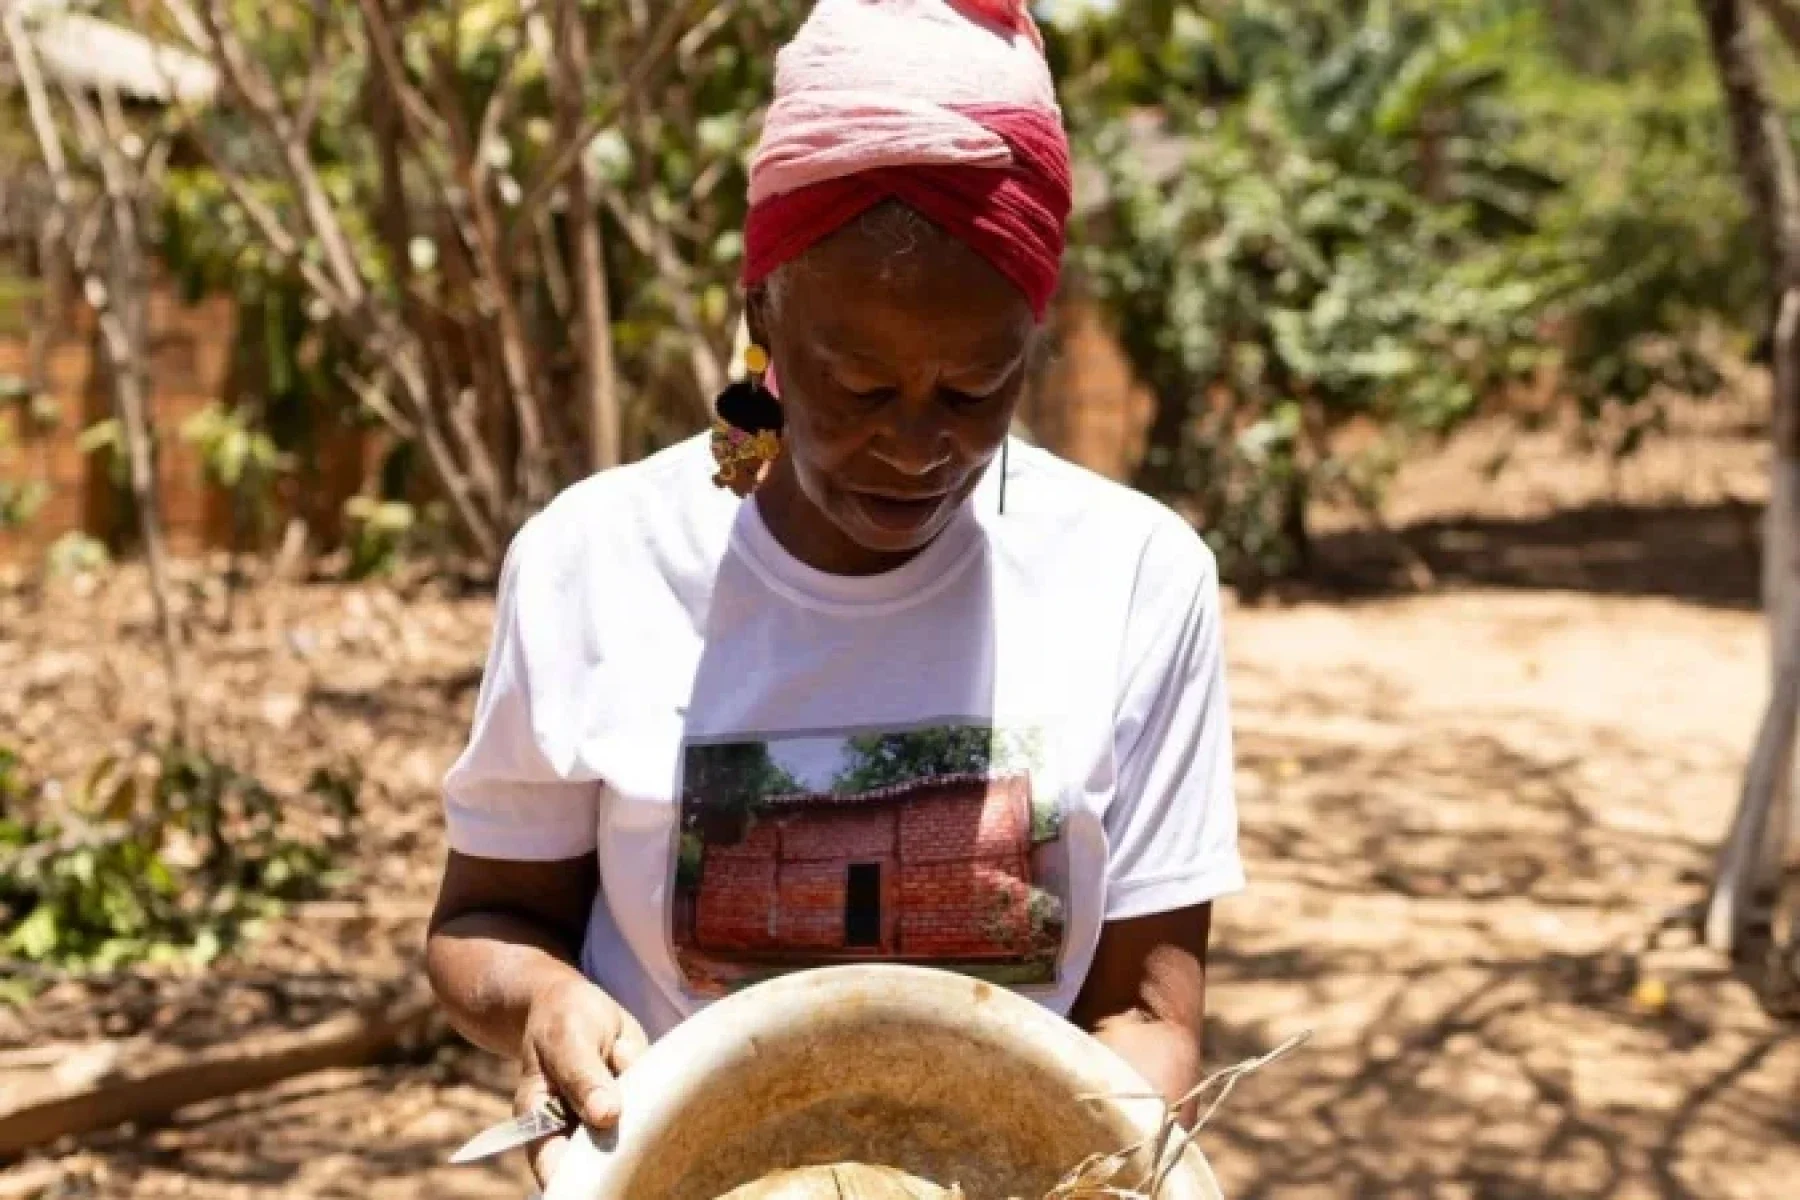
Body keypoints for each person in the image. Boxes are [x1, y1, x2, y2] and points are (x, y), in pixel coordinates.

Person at [424, 0, 1244, 1185]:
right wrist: (545, 1003)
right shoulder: (593, 562)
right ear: (764, 319)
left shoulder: (1135, 580)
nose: (917, 447)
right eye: (857, 385)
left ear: (1033, 340)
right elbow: (485, 923)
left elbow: (1148, 1018)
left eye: (975, 392)